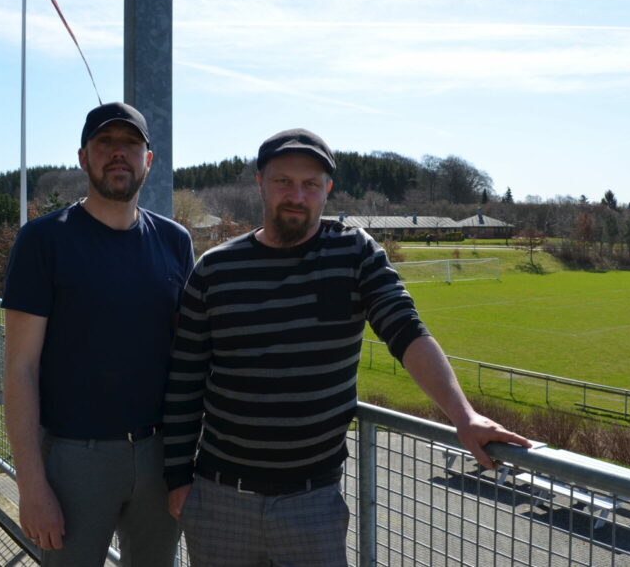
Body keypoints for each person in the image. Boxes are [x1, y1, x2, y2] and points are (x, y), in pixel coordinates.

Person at [162, 128, 530, 566]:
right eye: (283, 181)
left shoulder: (355, 253)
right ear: (260, 182)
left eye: (311, 185)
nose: (297, 195)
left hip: (311, 502)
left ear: (327, 190)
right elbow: (185, 380)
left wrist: (463, 415)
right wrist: (177, 478)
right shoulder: (216, 268)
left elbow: (406, 331)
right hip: (220, 496)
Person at [2, 102, 194, 566]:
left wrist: (185, 465)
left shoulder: (174, 241)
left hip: (158, 457)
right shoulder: (43, 241)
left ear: (149, 160)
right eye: (104, 143)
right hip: (75, 460)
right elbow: (20, 368)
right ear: (82, 157)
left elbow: (190, 359)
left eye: (130, 144)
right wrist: (32, 487)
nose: (118, 154)